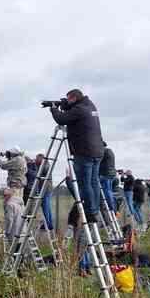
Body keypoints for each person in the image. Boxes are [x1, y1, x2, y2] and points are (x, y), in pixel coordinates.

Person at [50, 89, 104, 222]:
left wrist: (53, 108)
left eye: (69, 99)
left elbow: (61, 119)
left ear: (74, 98)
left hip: (84, 151)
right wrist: (64, 104)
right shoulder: (89, 105)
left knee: (84, 183)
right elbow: (74, 110)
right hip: (97, 150)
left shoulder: (79, 109)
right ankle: (95, 209)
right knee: (93, 182)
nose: (67, 101)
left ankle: (90, 212)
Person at [34, 154, 54, 232]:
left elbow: (40, 173)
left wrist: (36, 164)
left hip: (45, 190)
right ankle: (49, 224)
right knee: (47, 207)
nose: (35, 160)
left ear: (41, 159)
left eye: (37, 158)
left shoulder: (45, 166)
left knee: (45, 207)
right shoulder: (44, 165)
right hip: (45, 189)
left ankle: (47, 224)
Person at [99, 141, 117, 212]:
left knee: (107, 191)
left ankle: (111, 207)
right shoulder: (110, 151)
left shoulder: (103, 152)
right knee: (109, 191)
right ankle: (113, 207)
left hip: (105, 174)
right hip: (111, 174)